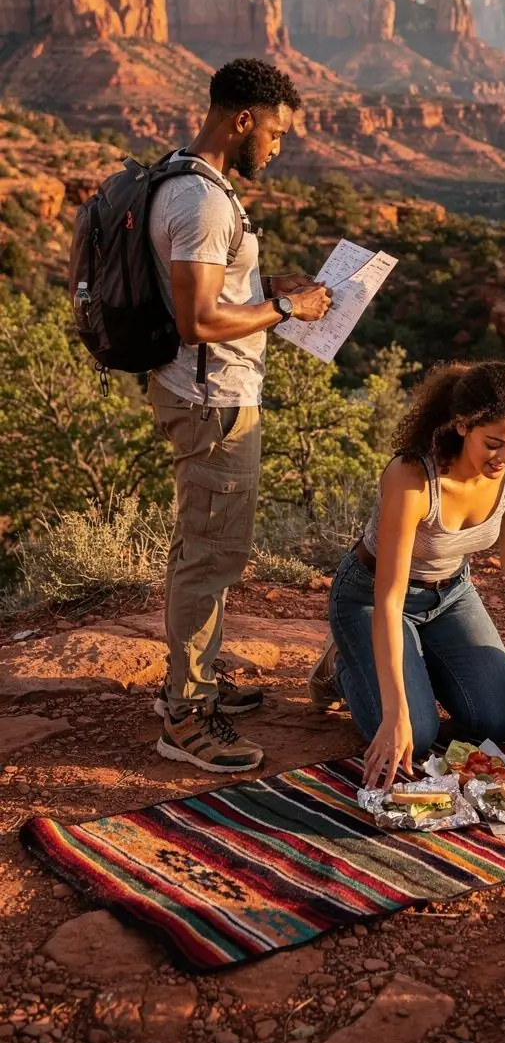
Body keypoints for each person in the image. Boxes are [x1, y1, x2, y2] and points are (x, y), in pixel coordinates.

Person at [310, 360, 505, 789]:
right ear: (462, 425)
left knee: (497, 722)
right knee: (415, 733)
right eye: (494, 443)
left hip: (450, 596)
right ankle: (342, 666)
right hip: (371, 598)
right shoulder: (412, 478)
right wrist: (396, 715)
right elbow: (389, 600)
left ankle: (414, 662)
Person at [148, 58, 332, 774]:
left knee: (202, 546)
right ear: (243, 120)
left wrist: (266, 288)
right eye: (276, 134)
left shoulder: (187, 179)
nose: (278, 149)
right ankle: (187, 715)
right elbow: (196, 320)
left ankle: (190, 683)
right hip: (213, 401)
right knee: (212, 556)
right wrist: (285, 308)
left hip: (208, 395)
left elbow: (213, 292)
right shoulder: (204, 202)